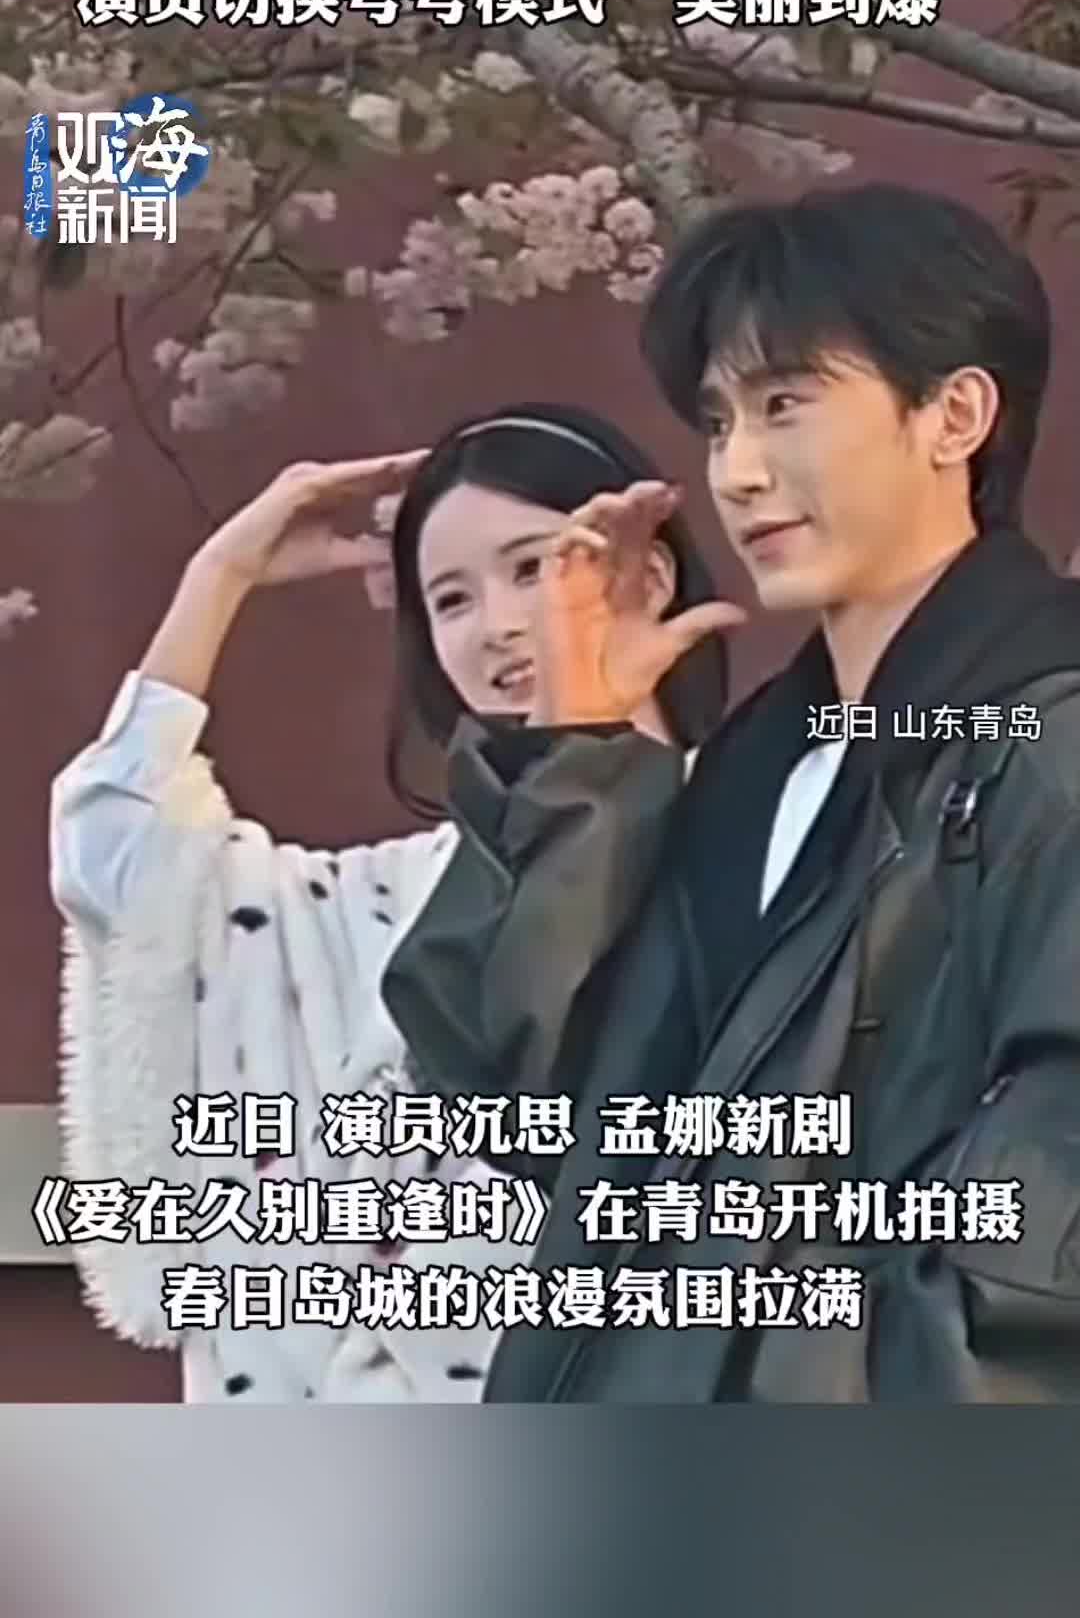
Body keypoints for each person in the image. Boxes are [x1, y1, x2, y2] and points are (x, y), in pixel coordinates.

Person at [384, 182, 1080, 1403]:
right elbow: (521, 1111)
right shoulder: (755, 774)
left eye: (786, 404)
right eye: (717, 423)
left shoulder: (1039, 746)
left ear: (955, 415)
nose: (739, 471)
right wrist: (579, 753)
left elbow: (1038, 1262)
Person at [49, 401, 733, 1402]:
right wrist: (220, 575)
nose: (499, 625)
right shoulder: (379, 900)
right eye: (451, 599)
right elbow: (120, 855)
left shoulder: (763, 845)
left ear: (649, 575)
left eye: (534, 568)